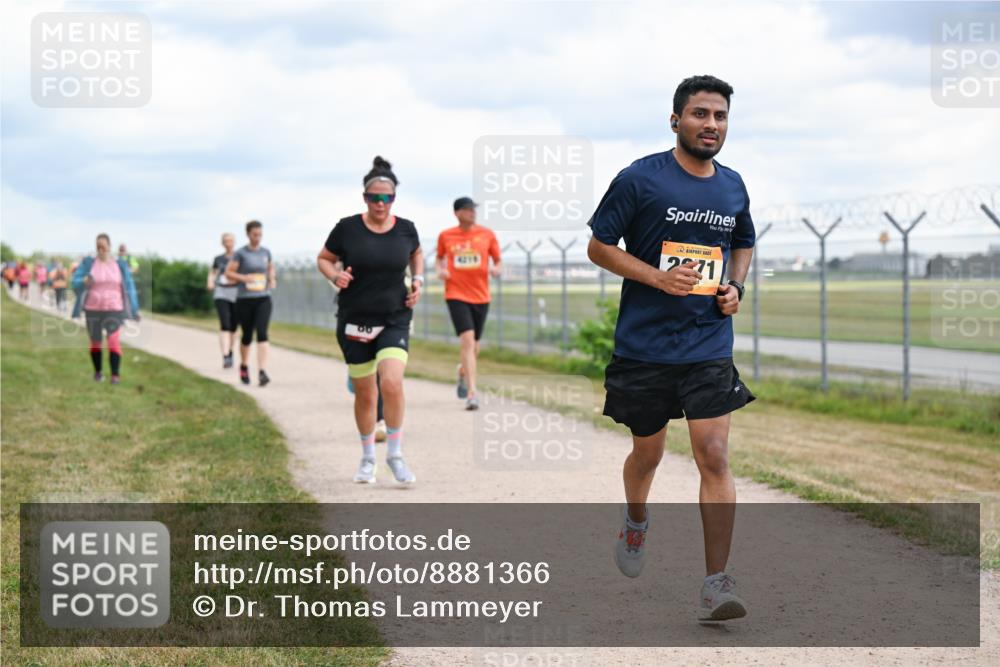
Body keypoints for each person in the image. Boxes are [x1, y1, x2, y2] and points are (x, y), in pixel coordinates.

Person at [586, 75, 756, 622]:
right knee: (649, 454)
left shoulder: (732, 186)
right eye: (701, 114)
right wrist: (658, 279)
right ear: (676, 120)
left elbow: (744, 243)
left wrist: (736, 287)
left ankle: (716, 583)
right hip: (645, 348)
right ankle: (636, 519)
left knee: (714, 455)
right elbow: (598, 246)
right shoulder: (640, 179)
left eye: (720, 116)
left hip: (708, 344)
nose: (711, 125)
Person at [317, 156, 423, 485]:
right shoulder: (347, 228)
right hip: (355, 318)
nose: (380, 203)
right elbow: (324, 258)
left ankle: (395, 454)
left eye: (386, 198)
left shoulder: (406, 229)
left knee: (390, 382)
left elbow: (416, 254)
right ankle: (367, 458)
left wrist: (419, 280)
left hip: (395, 316)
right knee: (365, 392)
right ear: (365, 198)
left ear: (394, 199)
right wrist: (335, 275)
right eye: (374, 197)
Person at [436, 197, 502, 410]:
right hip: (455, 294)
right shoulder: (446, 236)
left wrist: (497, 269)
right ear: (457, 213)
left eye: (474, 209)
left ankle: (463, 371)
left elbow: (498, 260)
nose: (472, 212)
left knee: (474, 346)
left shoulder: (487, 234)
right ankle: (472, 393)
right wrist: (441, 270)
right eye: (467, 209)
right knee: (467, 340)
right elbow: (439, 258)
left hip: (481, 296)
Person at [71, 233, 141, 385]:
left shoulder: (119, 264)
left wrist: (135, 310)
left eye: (103, 246)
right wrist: (84, 280)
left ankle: (115, 375)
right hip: (92, 309)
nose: (101, 249)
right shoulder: (89, 263)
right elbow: (75, 283)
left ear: (109, 246)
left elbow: (129, 287)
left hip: (114, 309)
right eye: (98, 247)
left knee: (113, 341)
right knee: (96, 342)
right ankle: (98, 373)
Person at [225, 221, 276, 386]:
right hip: (245, 299)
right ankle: (244, 366)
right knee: (247, 335)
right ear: (248, 234)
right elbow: (229, 273)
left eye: (260, 235)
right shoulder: (240, 253)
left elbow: (270, 268)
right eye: (255, 235)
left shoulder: (265, 252)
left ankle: (262, 371)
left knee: (262, 333)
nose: (258, 238)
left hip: (263, 298)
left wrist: (272, 279)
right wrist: (244, 278)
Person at [207, 233, 239, 368]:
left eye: (230, 241)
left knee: (234, 326)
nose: (228, 243)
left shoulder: (239, 257)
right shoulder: (218, 259)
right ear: (222, 243)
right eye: (226, 241)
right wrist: (210, 282)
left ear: (234, 242)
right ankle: (225, 355)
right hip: (222, 292)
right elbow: (213, 272)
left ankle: (230, 351)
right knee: (225, 324)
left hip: (237, 293)